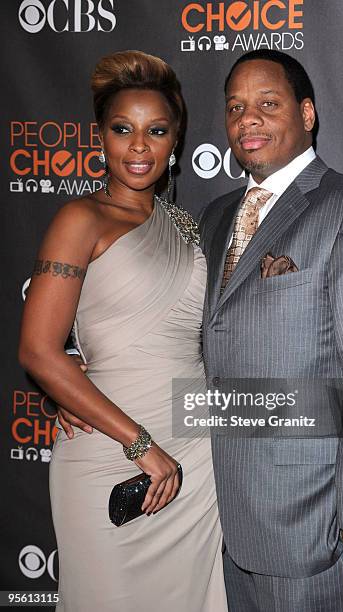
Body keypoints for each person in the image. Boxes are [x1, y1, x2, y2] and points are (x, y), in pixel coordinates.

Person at [198, 50, 343, 611]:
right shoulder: (216, 217)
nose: (248, 120)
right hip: (221, 513)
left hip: (315, 520)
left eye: (267, 104)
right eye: (235, 107)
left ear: (308, 112)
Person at [19, 50, 227, 612]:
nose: (139, 146)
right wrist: (139, 443)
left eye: (156, 131)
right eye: (122, 129)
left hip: (194, 454)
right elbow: (39, 350)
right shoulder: (79, 219)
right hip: (113, 451)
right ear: (100, 139)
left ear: (175, 142)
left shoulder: (188, 225)